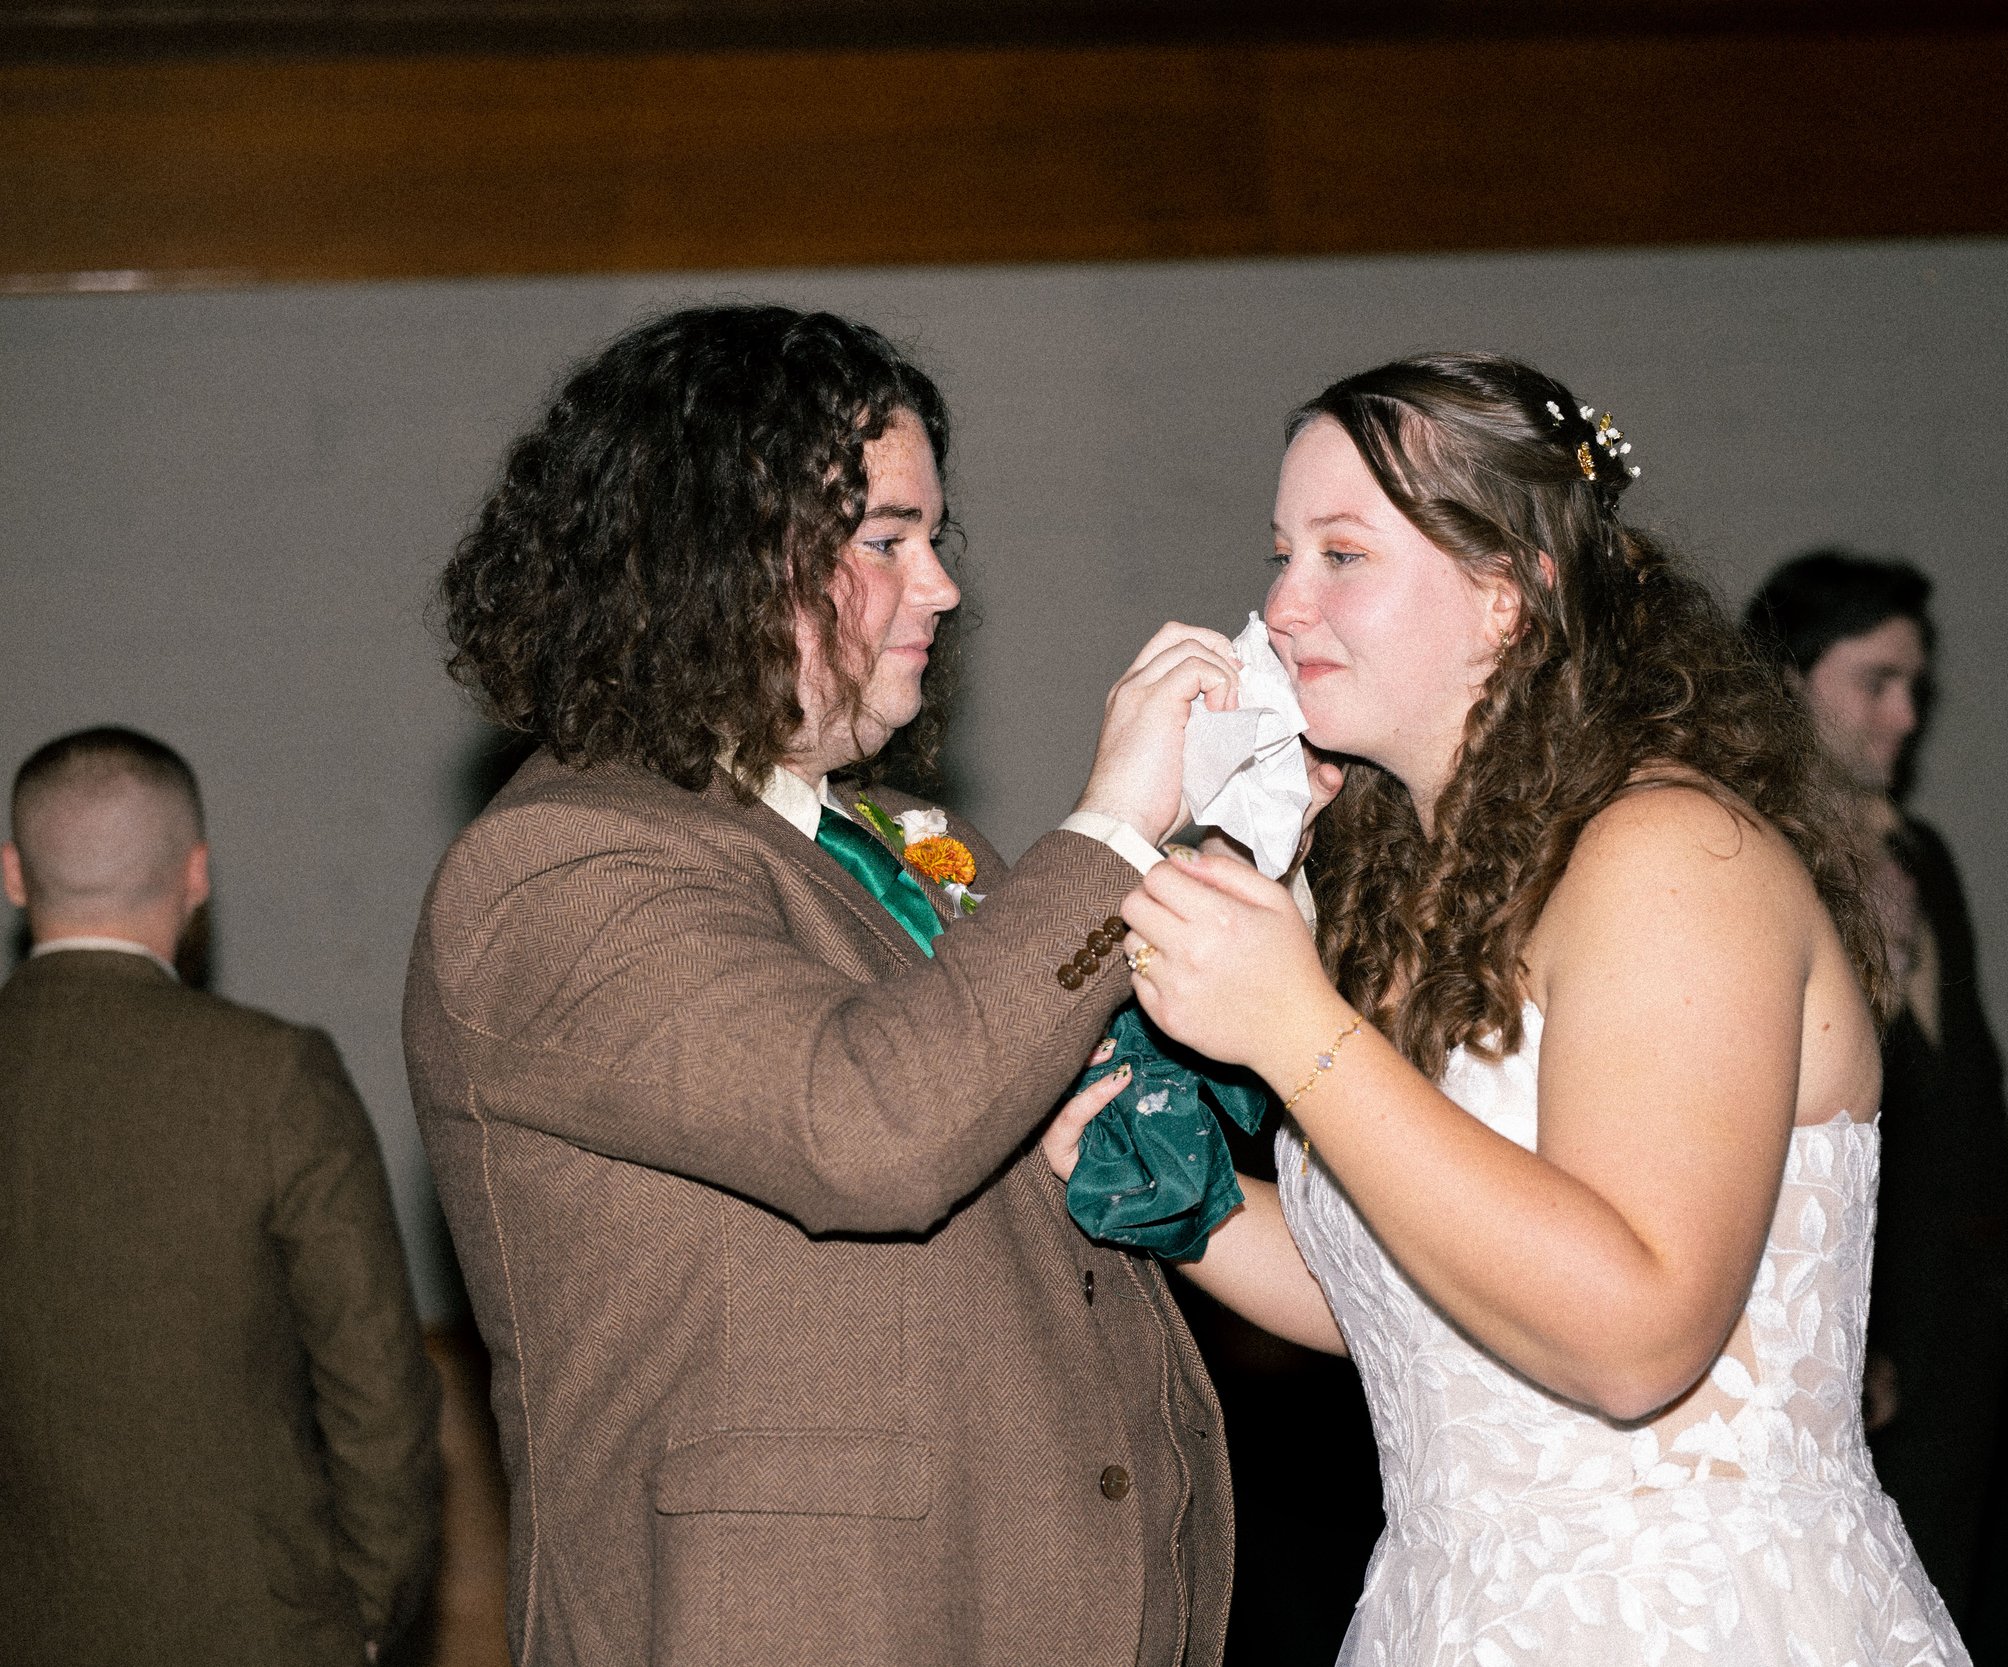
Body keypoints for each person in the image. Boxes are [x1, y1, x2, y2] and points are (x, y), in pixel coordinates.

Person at [1047, 354, 1964, 1664]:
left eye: (1342, 555)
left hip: (1682, 1616)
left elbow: (1636, 1337)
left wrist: (1298, 1029)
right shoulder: (1418, 886)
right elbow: (1417, 1291)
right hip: (1451, 1611)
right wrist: (1170, 1189)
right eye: (1282, 553)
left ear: (1508, 591)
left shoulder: (1671, 855)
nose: (1283, 606)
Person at [406, 305, 1240, 1665]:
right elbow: (874, 1128)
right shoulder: (554, 867)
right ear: (718, 562)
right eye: (886, 539)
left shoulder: (895, 840)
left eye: (935, 536)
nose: (943, 587)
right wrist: (1111, 828)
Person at [1, 726, 441, 1665]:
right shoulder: (273, 1076)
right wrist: (365, 1615)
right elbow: (379, 1390)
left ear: (13, 874)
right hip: (257, 1633)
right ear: (197, 873)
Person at [1741, 550, 2008, 1624]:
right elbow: (1768, 1131)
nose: (1905, 716)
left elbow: (1962, 1089)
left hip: (1968, 1300)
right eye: (1876, 682)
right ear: (1787, 684)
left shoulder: (1921, 853)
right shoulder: (1756, 864)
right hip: (1851, 1319)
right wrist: (1850, 1328)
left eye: (1916, 686)